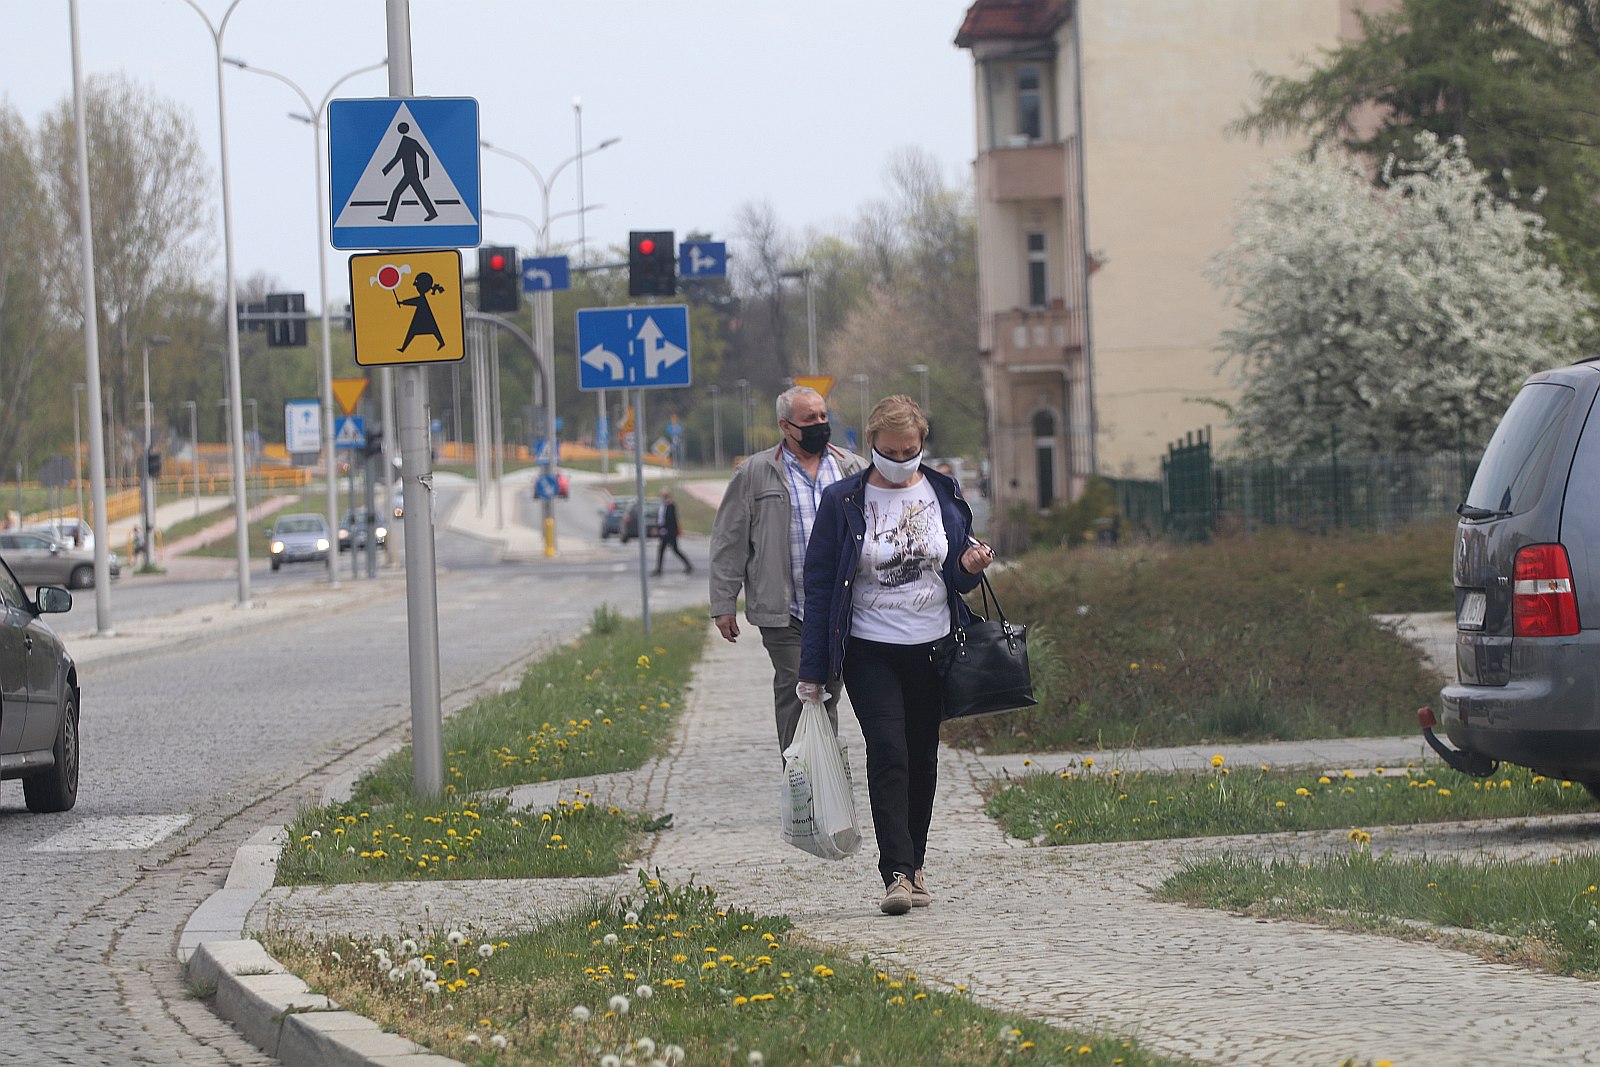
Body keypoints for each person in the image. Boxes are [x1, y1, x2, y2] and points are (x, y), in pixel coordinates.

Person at [798, 395, 994, 916]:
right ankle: (898, 875)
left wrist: (970, 567)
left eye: (911, 450)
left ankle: (917, 861)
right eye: (891, 450)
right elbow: (820, 588)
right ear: (872, 445)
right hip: (869, 648)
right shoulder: (844, 500)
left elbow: (952, 577)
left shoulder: (944, 493)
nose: (902, 458)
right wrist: (813, 670)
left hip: (933, 646)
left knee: (922, 756)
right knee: (888, 750)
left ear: (922, 445)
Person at [709, 385, 866, 752]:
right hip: (786, 612)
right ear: (785, 425)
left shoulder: (851, 469)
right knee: (801, 692)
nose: (820, 424)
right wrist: (723, 603)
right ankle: (804, 795)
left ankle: (824, 787)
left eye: (823, 416)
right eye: (810, 419)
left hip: (840, 608)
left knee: (827, 690)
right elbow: (729, 540)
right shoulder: (755, 473)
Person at [652, 489, 692, 576]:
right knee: (662, 550)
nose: (661, 497)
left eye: (663, 496)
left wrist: (664, 529)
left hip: (670, 533)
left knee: (675, 550)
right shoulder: (662, 506)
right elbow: (660, 519)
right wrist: (658, 528)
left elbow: (671, 520)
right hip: (664, 532)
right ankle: (659, 569)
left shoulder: (671, 506)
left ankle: (688, 565)